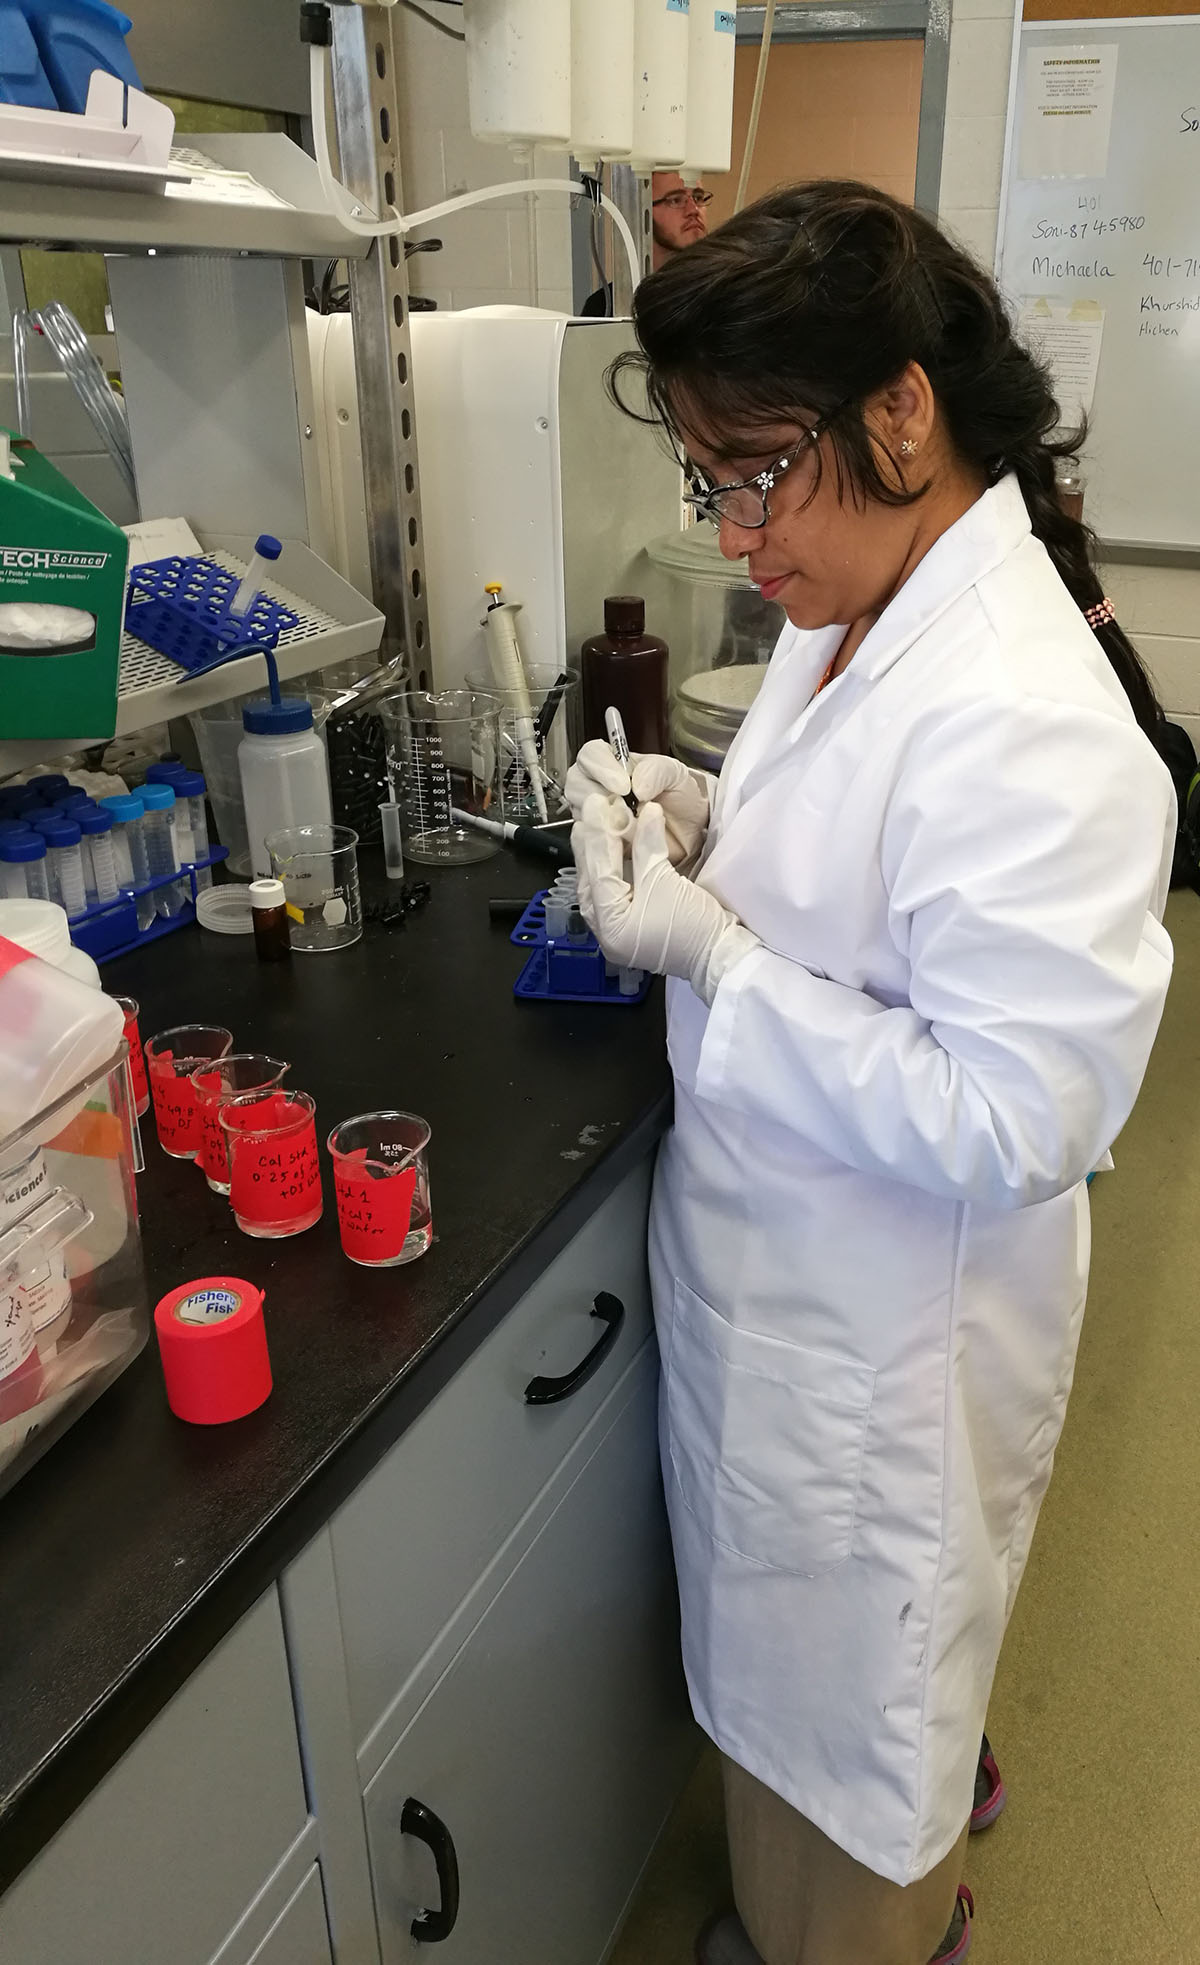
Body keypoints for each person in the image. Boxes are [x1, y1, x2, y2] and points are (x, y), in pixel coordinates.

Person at [567, 181, 1174, 1965]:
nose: (736, 535)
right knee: (810, 1727)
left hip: (883, 1361)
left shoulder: (1032, 716)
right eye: (710, 483)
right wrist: (709, 830)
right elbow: (857, 860)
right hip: (799, 1301)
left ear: (902, 410)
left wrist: (715, 957)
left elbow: (1022, 1116)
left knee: (862, 1754)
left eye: (754, 471)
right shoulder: (862, 602)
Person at [580, 172, 712, 317]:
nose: (693, 210)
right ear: (645, 211)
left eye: (698, 198)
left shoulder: (723, 292)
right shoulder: (605, 306)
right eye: (675, 200)